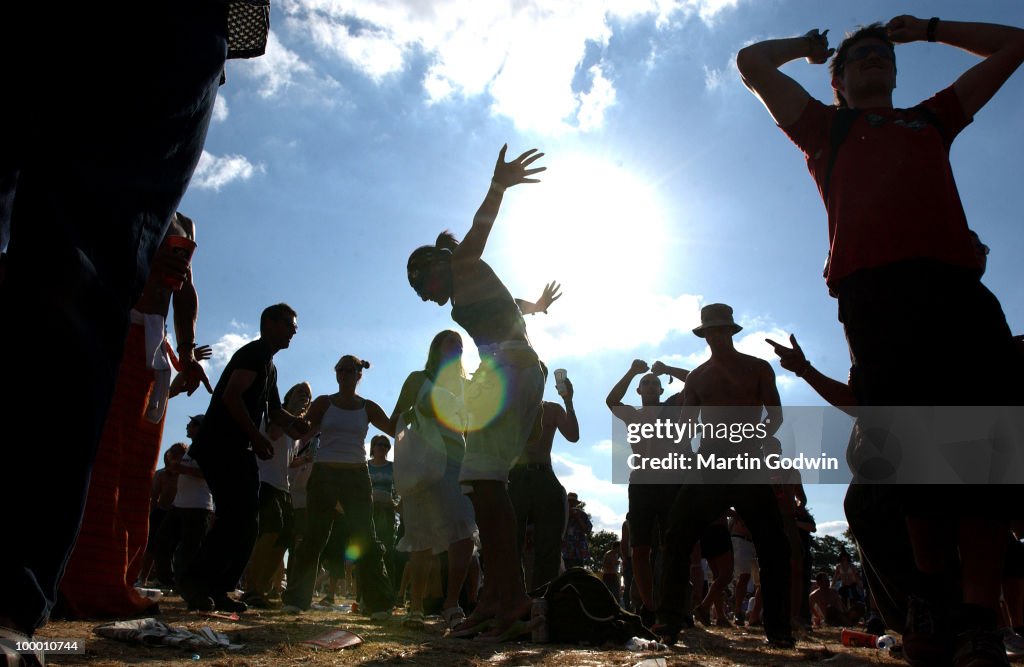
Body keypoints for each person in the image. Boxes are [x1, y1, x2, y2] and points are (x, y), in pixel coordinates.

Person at [738, 16, 1024, 663]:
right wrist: (807, 50)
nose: (874, 61)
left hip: (957, 290)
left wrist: (927, 29)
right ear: (838, 81)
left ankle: (980, 616)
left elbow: (1017, 44)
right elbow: (754, 63)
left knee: (986, 450)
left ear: (895, 71)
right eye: (858, 57)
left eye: (881, 55)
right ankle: (931, 601)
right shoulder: (825, 130)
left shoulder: (932, 119)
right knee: (912, 448)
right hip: (875, 294)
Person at [0, 2, 268, 649]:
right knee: (72, 275)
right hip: (118, 322)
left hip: (133, 335)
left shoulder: (174, 234)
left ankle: (22, 587)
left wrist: (181, 348)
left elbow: (183, 288)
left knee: (75, 287)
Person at [406, 144, 557, 640]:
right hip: (514, 370)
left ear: (435, 266)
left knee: (486, 483)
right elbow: (508, 304)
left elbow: (480, 230)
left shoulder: (463, 264)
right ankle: (499, 596)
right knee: (486, 485)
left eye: (419, 284)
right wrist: (535, 306)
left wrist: (498, 185)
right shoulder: (469, 287)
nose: (423, 297)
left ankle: (508, 598)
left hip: (511, 372)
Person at [59, 214, 213, 619]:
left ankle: (116, 579)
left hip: (152, 345)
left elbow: (185, 288)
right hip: (108, 328)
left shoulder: (183, 221)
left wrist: (188, 349)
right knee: (102, 459)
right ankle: (80, 582)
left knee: (135, 466)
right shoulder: (116, 189)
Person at [655, 303, 793, 648]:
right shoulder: (698, 377)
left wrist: (756, 438)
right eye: (710, 330)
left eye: (721, 329)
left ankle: (778, 629)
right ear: (705, 335)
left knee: (772, 543)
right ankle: (669, 622)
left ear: (730, 331)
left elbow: (775, 417)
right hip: (710, 460)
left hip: (747, 458)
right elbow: (687, 425)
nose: (716, 335)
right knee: (677, 536)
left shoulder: (758, 368)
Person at [179, 303, 311, 613]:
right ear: (270, 324)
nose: (294, 330)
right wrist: (255, 435)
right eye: (290, 324)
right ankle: (195, 583)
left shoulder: (270, 365)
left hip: (238, 448)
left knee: (245, 520)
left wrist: (295, 423)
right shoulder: (253, 354)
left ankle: (218, 587)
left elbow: (275, 411)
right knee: (234, 518)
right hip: (221, 445)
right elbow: (231, 395)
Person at [280, 355, 395, 616]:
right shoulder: (324, 403)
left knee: (364, 536)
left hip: (356, 476)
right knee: (314, 534)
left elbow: (392, 426)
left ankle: (378, 603)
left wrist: (413, 407)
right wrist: (284, 418)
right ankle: (296, 600)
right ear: (336, 374)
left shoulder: (368, 407)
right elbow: (301, 430)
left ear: (359, 375)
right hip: (324, 474)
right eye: (340, 370)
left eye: (349, 370)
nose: (344, 374)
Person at [390, 330, 479, 630]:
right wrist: (416, 416)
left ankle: (451, 603)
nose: (457, 347)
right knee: (421, 537)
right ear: (436, 348)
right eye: (450, 341)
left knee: (464, 529)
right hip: (424, 463)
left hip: (456, 462)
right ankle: (415, 606)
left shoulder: (466, 386)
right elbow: (396, 422)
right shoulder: (418, 379)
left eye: (460, 344)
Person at [606, 358, 687, 627]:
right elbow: (612, 400)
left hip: (670, 482)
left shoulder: (674, 407)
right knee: (640, 548)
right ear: (639, 391)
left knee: (673, 547)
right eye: (646, 383)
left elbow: (696, 381)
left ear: (662, 390)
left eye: (655, 383)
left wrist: (669, 370)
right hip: (641, 483)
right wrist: (631, 371)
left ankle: (674, 606)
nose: (651, 386)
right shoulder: (634, 414)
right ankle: (649, 607)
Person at [242, 381, 313, 608]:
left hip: (284, 489)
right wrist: (291, 415)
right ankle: (251, 588)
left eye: (307, 396)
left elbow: (288, 460)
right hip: (265, 482)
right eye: (300, 392)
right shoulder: (276, 416)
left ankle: (260, 589)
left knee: (282, 541)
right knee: (268, 534)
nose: (304, 397)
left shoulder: (296, 432)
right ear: (288, 396)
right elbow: (272, 435)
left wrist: (304, 460)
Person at [509, 367, 579, 592]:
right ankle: (512, 596)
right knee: (510, 541)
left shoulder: (552, 408)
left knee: (549, 543)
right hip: (515, 476)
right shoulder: (510, 409)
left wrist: (569, 402)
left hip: (543, 472)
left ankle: (544, 598)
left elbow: (573, 436)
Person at [368, 435, 399, 592]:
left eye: (386, 445)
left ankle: (389, 592)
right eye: (379, 444)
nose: (383, 448)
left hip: (387, 512)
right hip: (368, 512)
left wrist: (396, 504)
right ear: (373, 447)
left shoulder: (393, 467)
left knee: (388, 551)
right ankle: (365, 596)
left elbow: (400, 489)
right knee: (367, 551)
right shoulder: (365, 466)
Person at [562, 493, 593, 570]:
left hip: (578, 552)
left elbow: (588, 530)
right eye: (569, 501)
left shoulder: (582, 515)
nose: (571, 503)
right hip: (565, 552)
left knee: (577, 575)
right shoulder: (562, 514)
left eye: (573, 501)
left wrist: (578, 518)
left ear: (576, 503)